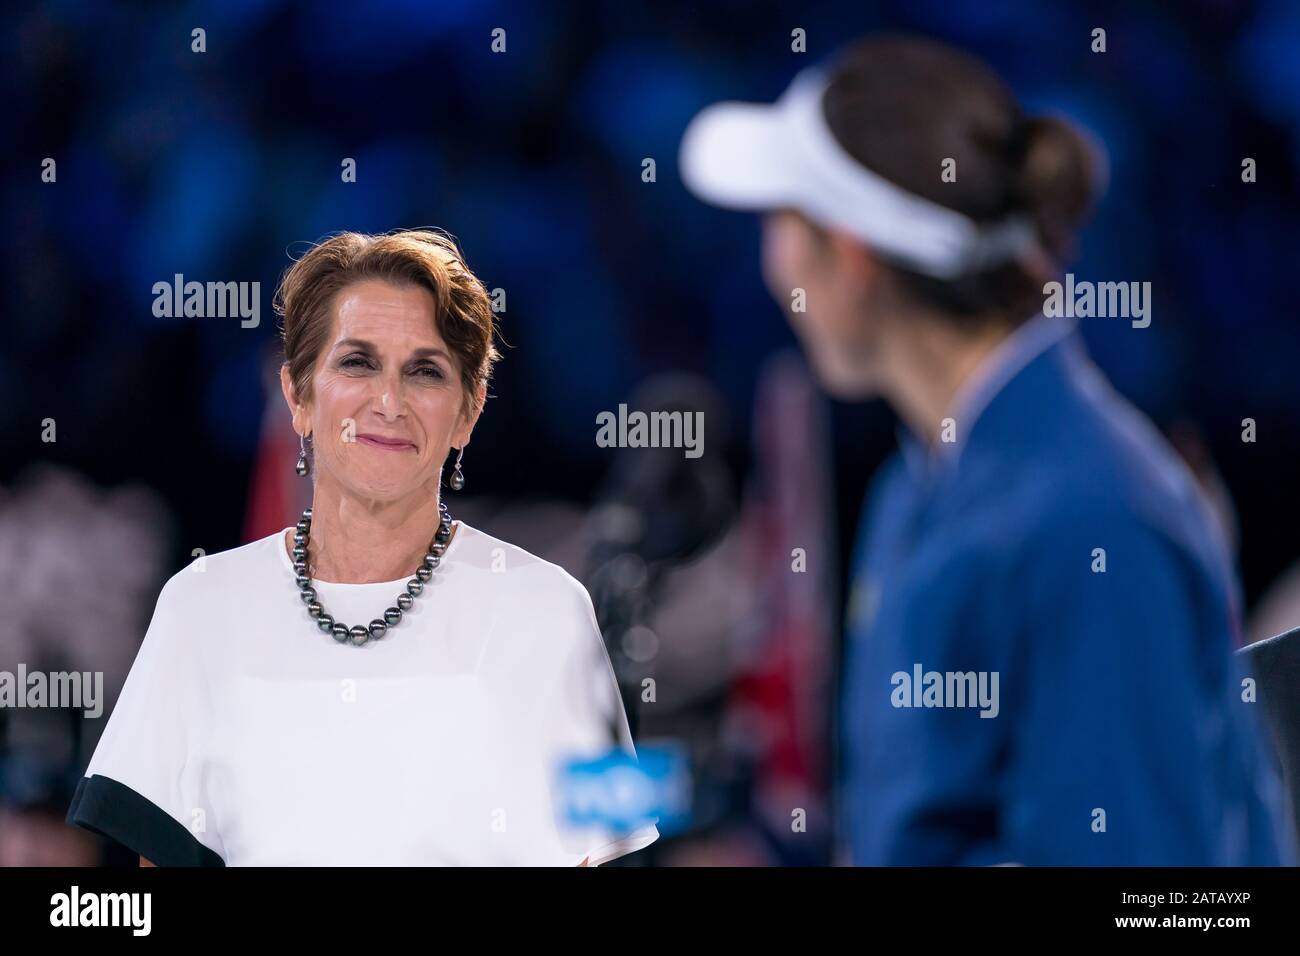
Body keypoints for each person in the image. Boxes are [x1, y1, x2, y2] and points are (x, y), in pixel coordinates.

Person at [679, 35, 1292, 864]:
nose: (768, 262)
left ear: (851, 256)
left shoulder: (1090, 519)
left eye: (781, 221)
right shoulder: (923, 484)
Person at [66, 229, 659, 866]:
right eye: (357, 362)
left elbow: (602, 855)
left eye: (425, 372)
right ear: (297, 395)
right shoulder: (201, 606)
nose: (389, 402)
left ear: (468, 412)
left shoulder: (549, 608)